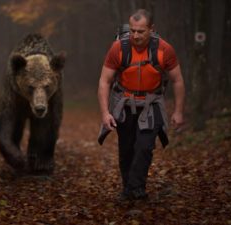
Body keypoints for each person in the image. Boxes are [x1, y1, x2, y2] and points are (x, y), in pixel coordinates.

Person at [97, 9, 185, 201]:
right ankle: (129, 187)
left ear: (151, 29)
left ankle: (135, 189)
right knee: (126, 148)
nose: (135, 35)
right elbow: (104, 81)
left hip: (151, 104)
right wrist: (105, 113)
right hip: (124, 103)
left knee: (144, 147)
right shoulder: (118, 48)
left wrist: (178, 111)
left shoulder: (164, 50)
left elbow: (177, 80)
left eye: (140, 31)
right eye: (132, 30)